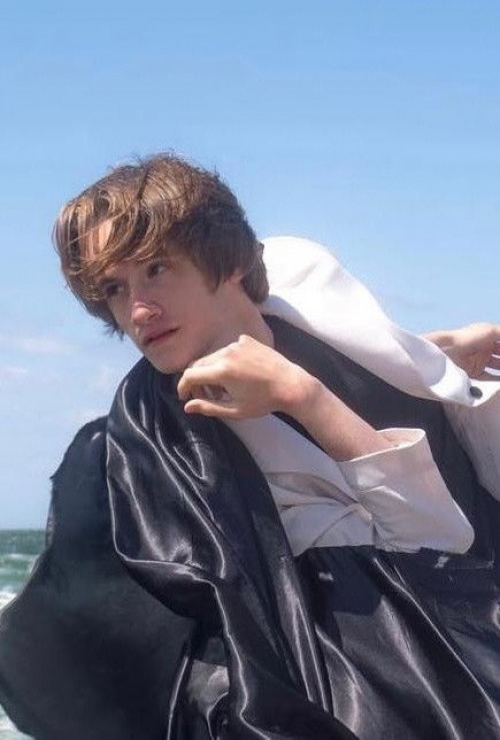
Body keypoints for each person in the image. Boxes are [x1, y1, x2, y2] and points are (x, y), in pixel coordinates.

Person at [1, 154, 500, 739]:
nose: (138, 310)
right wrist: (305, 399)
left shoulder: (299, 269)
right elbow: (437, 554)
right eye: (114, 288)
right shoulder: (179, 445)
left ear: (232, 262)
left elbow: (353, 342)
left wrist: (436, 354)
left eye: (157, 268)